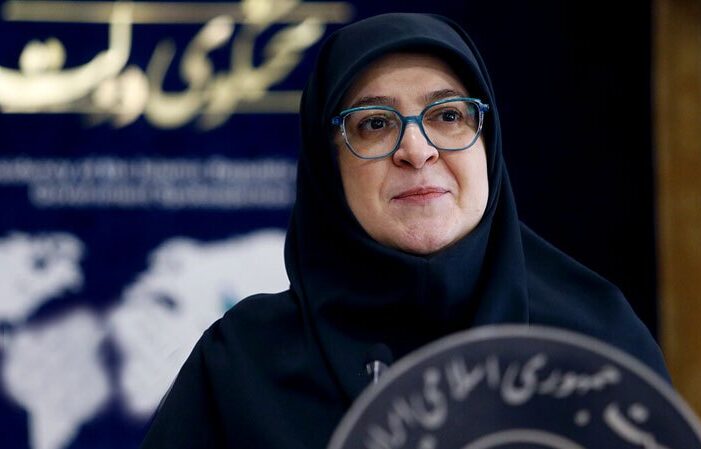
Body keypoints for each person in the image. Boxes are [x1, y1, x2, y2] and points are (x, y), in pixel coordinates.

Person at [139, 13, 668, 449]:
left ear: (489, 146)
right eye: (374, 123)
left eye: (448, 116)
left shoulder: (593, 342)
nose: (417, 150)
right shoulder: (244, 367)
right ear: (328, 167)